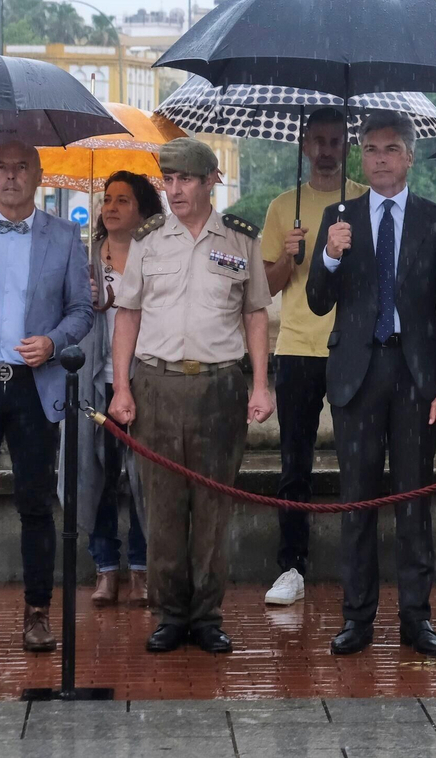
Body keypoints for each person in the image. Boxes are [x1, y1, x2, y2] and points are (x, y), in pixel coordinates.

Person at [307, 111, 436, 658]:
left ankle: (416, 618)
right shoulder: (340, 217)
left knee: (413, 501)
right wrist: (329, 254)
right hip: (357, 373)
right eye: (371, 149)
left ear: (409, 156)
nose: (379, 158)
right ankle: (356, 618)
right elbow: (316, 301)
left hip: (416, 375)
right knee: (356, 501)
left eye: (390, 149)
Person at [110, 138, 274, 654]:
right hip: (156, 383)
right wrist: (120, 388)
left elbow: (255, 315)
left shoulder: (241, 238)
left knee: (213, 505)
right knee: (161, 504)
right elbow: (128, 314)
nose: (174, 190)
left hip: (219, 386)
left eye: (185, 180)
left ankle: (206, 614)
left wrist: (262, 385)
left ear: (210, 182)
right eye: (169, 180)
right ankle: (170, 613)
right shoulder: (149, 238)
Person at [0, 142, 92, 653]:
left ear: (37, 175)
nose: (11, 177)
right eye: (2, 169)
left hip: (36, 384)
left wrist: (54, 342)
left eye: (21, 168)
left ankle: (37, 613)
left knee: (36, 504)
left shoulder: (65, 234)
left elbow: (83, 309)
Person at [259, 108, 368, 608]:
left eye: (335, 140)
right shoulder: (285, 206)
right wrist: (289, 256)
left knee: (358, 465)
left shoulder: (364, 202)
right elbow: (266, 287)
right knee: (293, 465)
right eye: (317, 141)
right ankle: (291, 566)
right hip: (297, 347)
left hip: (350, 346)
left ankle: (358, 567)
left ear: (347, 146)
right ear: (304, 146)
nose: (326, 149)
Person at [66, 170, 161, 609]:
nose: (112, 206)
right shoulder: (82, 259)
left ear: (143, 210)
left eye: (124, 199)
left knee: (145, 480)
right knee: (98, 479)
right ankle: (105, 567)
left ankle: (142, 568)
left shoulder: (156, 256)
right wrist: (76, 294)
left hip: (145, 384)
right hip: (95, 387)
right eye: (107, 198)